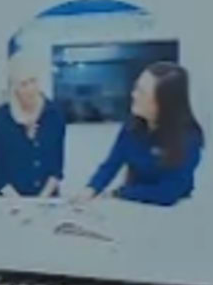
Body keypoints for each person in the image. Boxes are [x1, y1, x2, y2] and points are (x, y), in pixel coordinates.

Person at [85, 61, 204, 206]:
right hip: (134, 204)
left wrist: (120, 193)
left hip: (174, 212)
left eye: (142, 92)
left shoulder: (189, 137)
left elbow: (169, 193)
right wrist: (91, 189)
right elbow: (111, 164)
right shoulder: (131, 127)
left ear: (163, 102)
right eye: (136, 88)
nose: (134, 95)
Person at [0, 62, 66, 197]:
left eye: (33, 81)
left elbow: (57, 168)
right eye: (23, 84)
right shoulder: (2, 117)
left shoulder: (54, 113)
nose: (30, 88)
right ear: (15, 88)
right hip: (11, 199)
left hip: (47, 197)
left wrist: (41, 201)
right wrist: (19, 202)